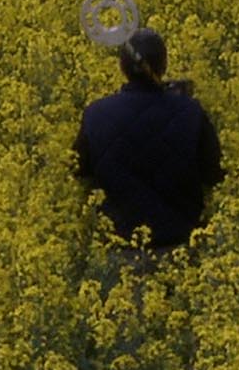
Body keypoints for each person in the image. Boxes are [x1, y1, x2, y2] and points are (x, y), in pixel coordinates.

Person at [74, 27, 225, 256]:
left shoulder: (96, 114)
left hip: (120, 248)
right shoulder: (190, 111)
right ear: (163, 66)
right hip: (181, 246)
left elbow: (79, 170)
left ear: (122, 67)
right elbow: (214, 173)